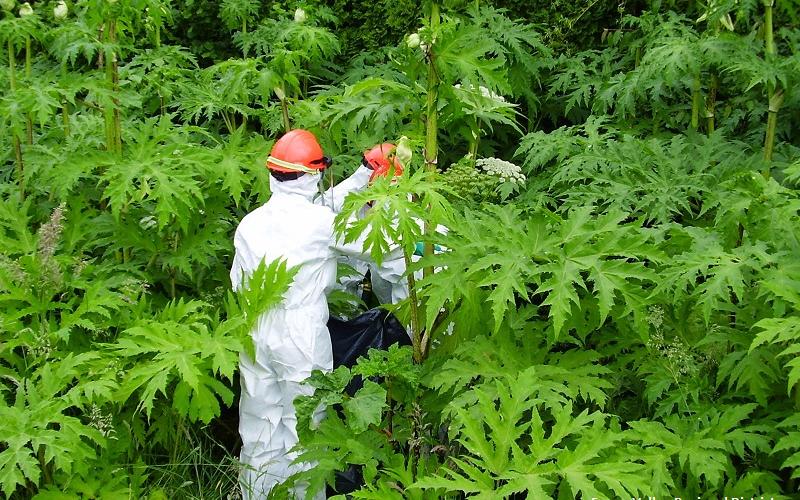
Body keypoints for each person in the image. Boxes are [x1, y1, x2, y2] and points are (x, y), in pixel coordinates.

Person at [230, 129, 399, 499]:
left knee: (259, 423)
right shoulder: (319, 224)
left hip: (254, 327)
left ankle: (258, 493)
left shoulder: (251, 223)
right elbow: (373, 246)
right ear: (313, 174)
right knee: (308, 428)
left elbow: (237, 281)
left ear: (274, 173)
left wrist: (361, 173)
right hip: (301, 331)